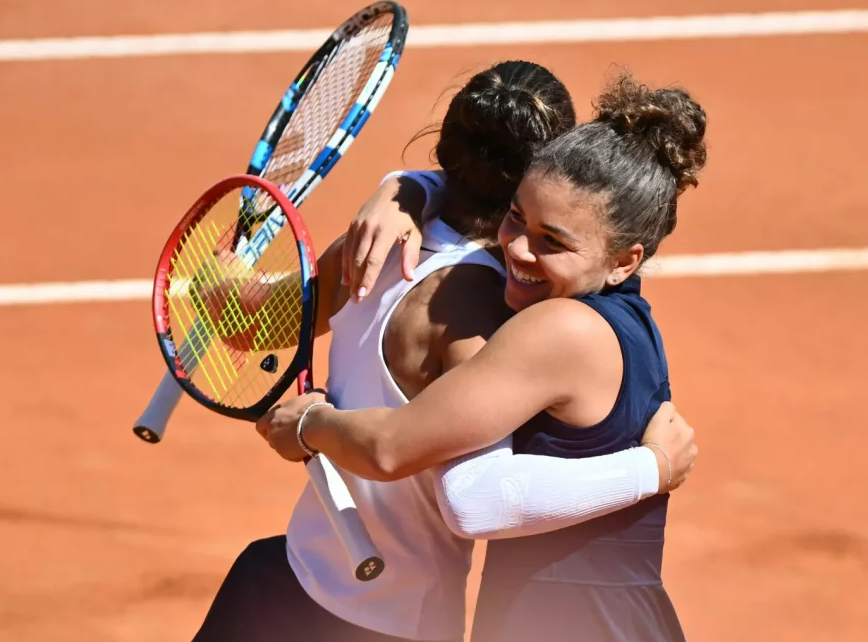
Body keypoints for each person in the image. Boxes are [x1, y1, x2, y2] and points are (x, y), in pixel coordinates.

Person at [192, 61, 698, 642]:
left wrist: (406, 187)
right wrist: (407, 189)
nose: (526, 248)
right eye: (519, 219)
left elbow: (251, 322)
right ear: (531, 172)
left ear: (444, 149)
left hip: (290, 577)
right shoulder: (510, 305)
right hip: (399, 615)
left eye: (551, 240)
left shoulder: (367, 251)